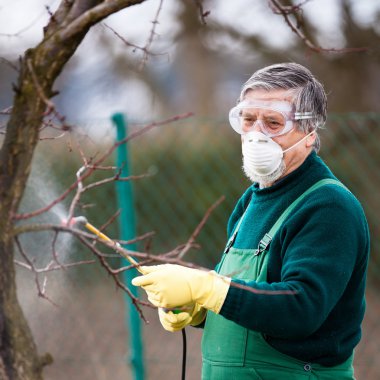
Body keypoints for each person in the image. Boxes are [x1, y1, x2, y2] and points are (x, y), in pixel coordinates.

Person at [132, 62, 370, 379]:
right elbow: (243, 301)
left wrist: (208, 289)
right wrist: (195, 308)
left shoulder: (328, 206)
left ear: (310, 134)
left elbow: (302, 308)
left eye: (273, 123)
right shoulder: (251, 200)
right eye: (248, 120)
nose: (256, 134)